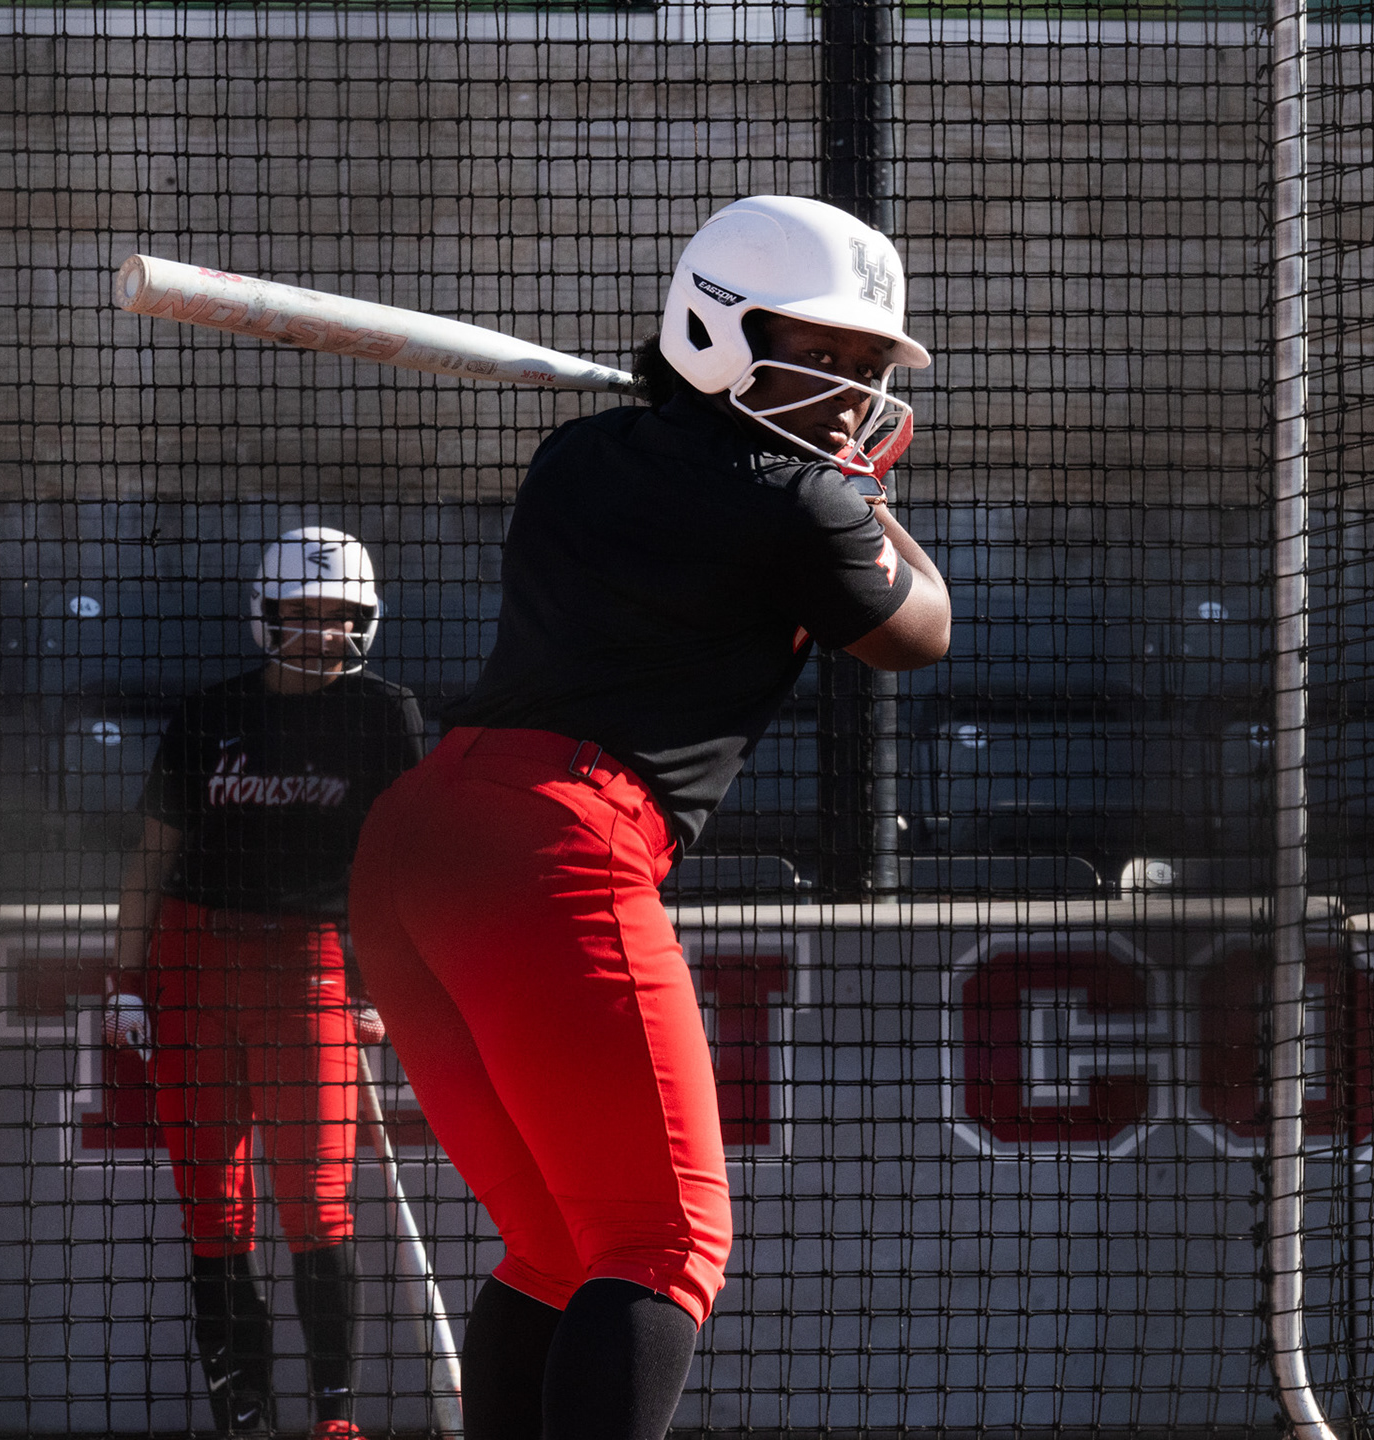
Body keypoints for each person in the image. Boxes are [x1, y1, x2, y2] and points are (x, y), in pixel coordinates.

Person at [349, 194, 952, 1440]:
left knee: (562, 1249)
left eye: (865, 364)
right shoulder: (805, 505)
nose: (851, 392)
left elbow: (709, 491)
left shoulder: (577, 454)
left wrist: (812, 469)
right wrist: (861, 494)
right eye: (820, 352)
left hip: (420, 843)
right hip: (555, 845)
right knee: (664, 1242)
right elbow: (919, 632)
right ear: (719, 330)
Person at [103, 529, 427, 1440]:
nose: (321, 633)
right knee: (213, 1207)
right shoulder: (211, 715)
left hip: (309, 968)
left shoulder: (385, 714)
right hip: (192, 966)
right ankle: (242, 1419)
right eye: (302, 614)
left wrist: (385, 983)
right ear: (267, 615)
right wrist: (123, 980)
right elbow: (152, 857)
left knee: (317, 1202)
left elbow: (402, 864)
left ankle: (334, 1421)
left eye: (340, 616)